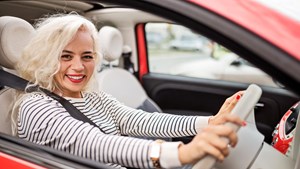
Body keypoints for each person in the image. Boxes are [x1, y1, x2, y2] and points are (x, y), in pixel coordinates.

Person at [11, 13, 245, 169]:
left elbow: (138, 121)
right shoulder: (36, 106)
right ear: (45, 58)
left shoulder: (91, 95)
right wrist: (181, 153)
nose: (79, 66)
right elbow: (96, 144)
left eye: (87, 56)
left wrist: (208, 123)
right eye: (65, 56)